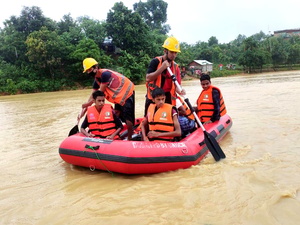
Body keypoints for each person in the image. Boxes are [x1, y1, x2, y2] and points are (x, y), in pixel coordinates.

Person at [81, 58, 135, 140]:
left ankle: (130, 138)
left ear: (96, 67)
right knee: (116, 113)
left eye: (89, 69)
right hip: (118, 97)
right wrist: (83, 111)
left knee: (128, 117)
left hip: (127, 93)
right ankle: (114, 133)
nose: (89, 72)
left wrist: (88, 104)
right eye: (87, 71)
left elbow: (100, 93)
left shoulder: (105, 75)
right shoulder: (97, 80)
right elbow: (92, 96)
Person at [144, 36, 186, 116]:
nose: (174, 55)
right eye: (171, 52)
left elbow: (177, 86)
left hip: (167, 97)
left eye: (175, 53)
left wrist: (181, 91)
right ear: (165, 51)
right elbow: (148, 78)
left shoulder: (175, 67)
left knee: (167, 118)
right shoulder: (155, 61)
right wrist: (162, 68)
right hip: (153, 96)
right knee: (149, 118)